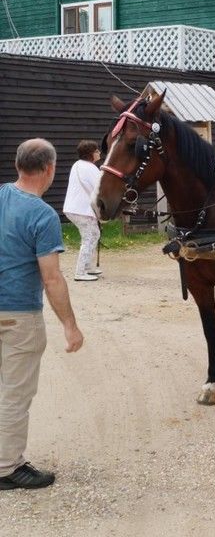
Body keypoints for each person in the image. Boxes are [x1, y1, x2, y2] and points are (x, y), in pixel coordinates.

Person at [0, 139, 85, 490]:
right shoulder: (42, 215)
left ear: (19, 165)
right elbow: (52, 278)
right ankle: (6, 467)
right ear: (49, 169)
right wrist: (71, 326)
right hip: (19, 315)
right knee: (14, 394)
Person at [63, 140, 102, 281]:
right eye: (97, 150)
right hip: (82, 210)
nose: (99, 153)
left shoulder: (77, 165)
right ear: (90, 153)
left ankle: (88, 267)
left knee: (95, 234)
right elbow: (99, 189)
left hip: (74, 209)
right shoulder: (91, 168)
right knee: (88, 238)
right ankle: (80, 272)